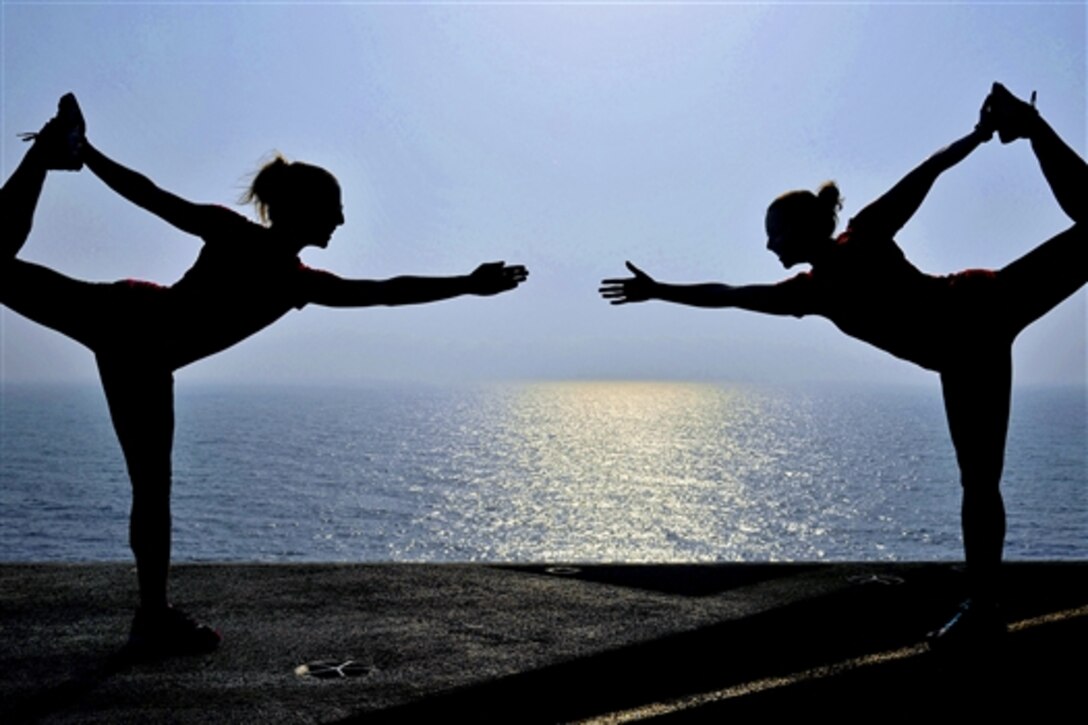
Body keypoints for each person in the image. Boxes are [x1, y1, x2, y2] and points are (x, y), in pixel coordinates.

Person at [1, 94, 529, 656]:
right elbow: (150, 196)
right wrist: (91, 153)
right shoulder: (248, 246)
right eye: (336, 207)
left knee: (153, 491)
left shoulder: (297, 281)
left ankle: (153, 617)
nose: (344, 219)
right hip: (128, 321)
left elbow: (385, 293)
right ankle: (51, 153)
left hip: (139, 351)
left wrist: (466, 284)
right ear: (302, 210)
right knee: (151, 491)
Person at [599, 83, 1085, 645]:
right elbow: (729, 293)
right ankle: (983, 606)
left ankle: (1028, 123)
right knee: (979, 484)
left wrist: (977, 137)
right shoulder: (810, 293)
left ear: (803, 231)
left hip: (981, 307)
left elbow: (926, 172)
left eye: (773, 235)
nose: (768, 246)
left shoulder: (864, 237)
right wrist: (660, 291)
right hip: (967, 355)